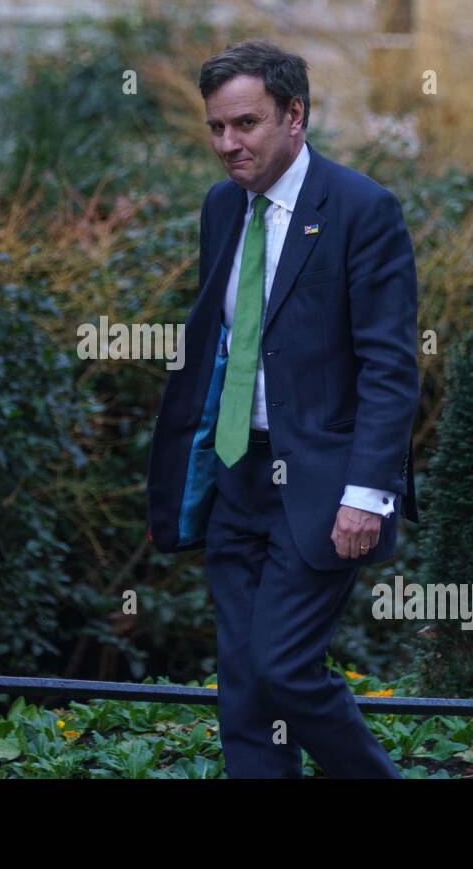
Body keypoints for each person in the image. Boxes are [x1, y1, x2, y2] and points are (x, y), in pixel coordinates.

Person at [146, 39, 420, 778]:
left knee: (285, 666)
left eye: (246, 124)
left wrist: (368, 494)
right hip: (238, 473)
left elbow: (391, 367)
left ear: (294, 115)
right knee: (243, 686)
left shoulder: (362, 208)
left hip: (325, 485)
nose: (228, 144)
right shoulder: (219, 208)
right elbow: (220, 341)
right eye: (216, 128)